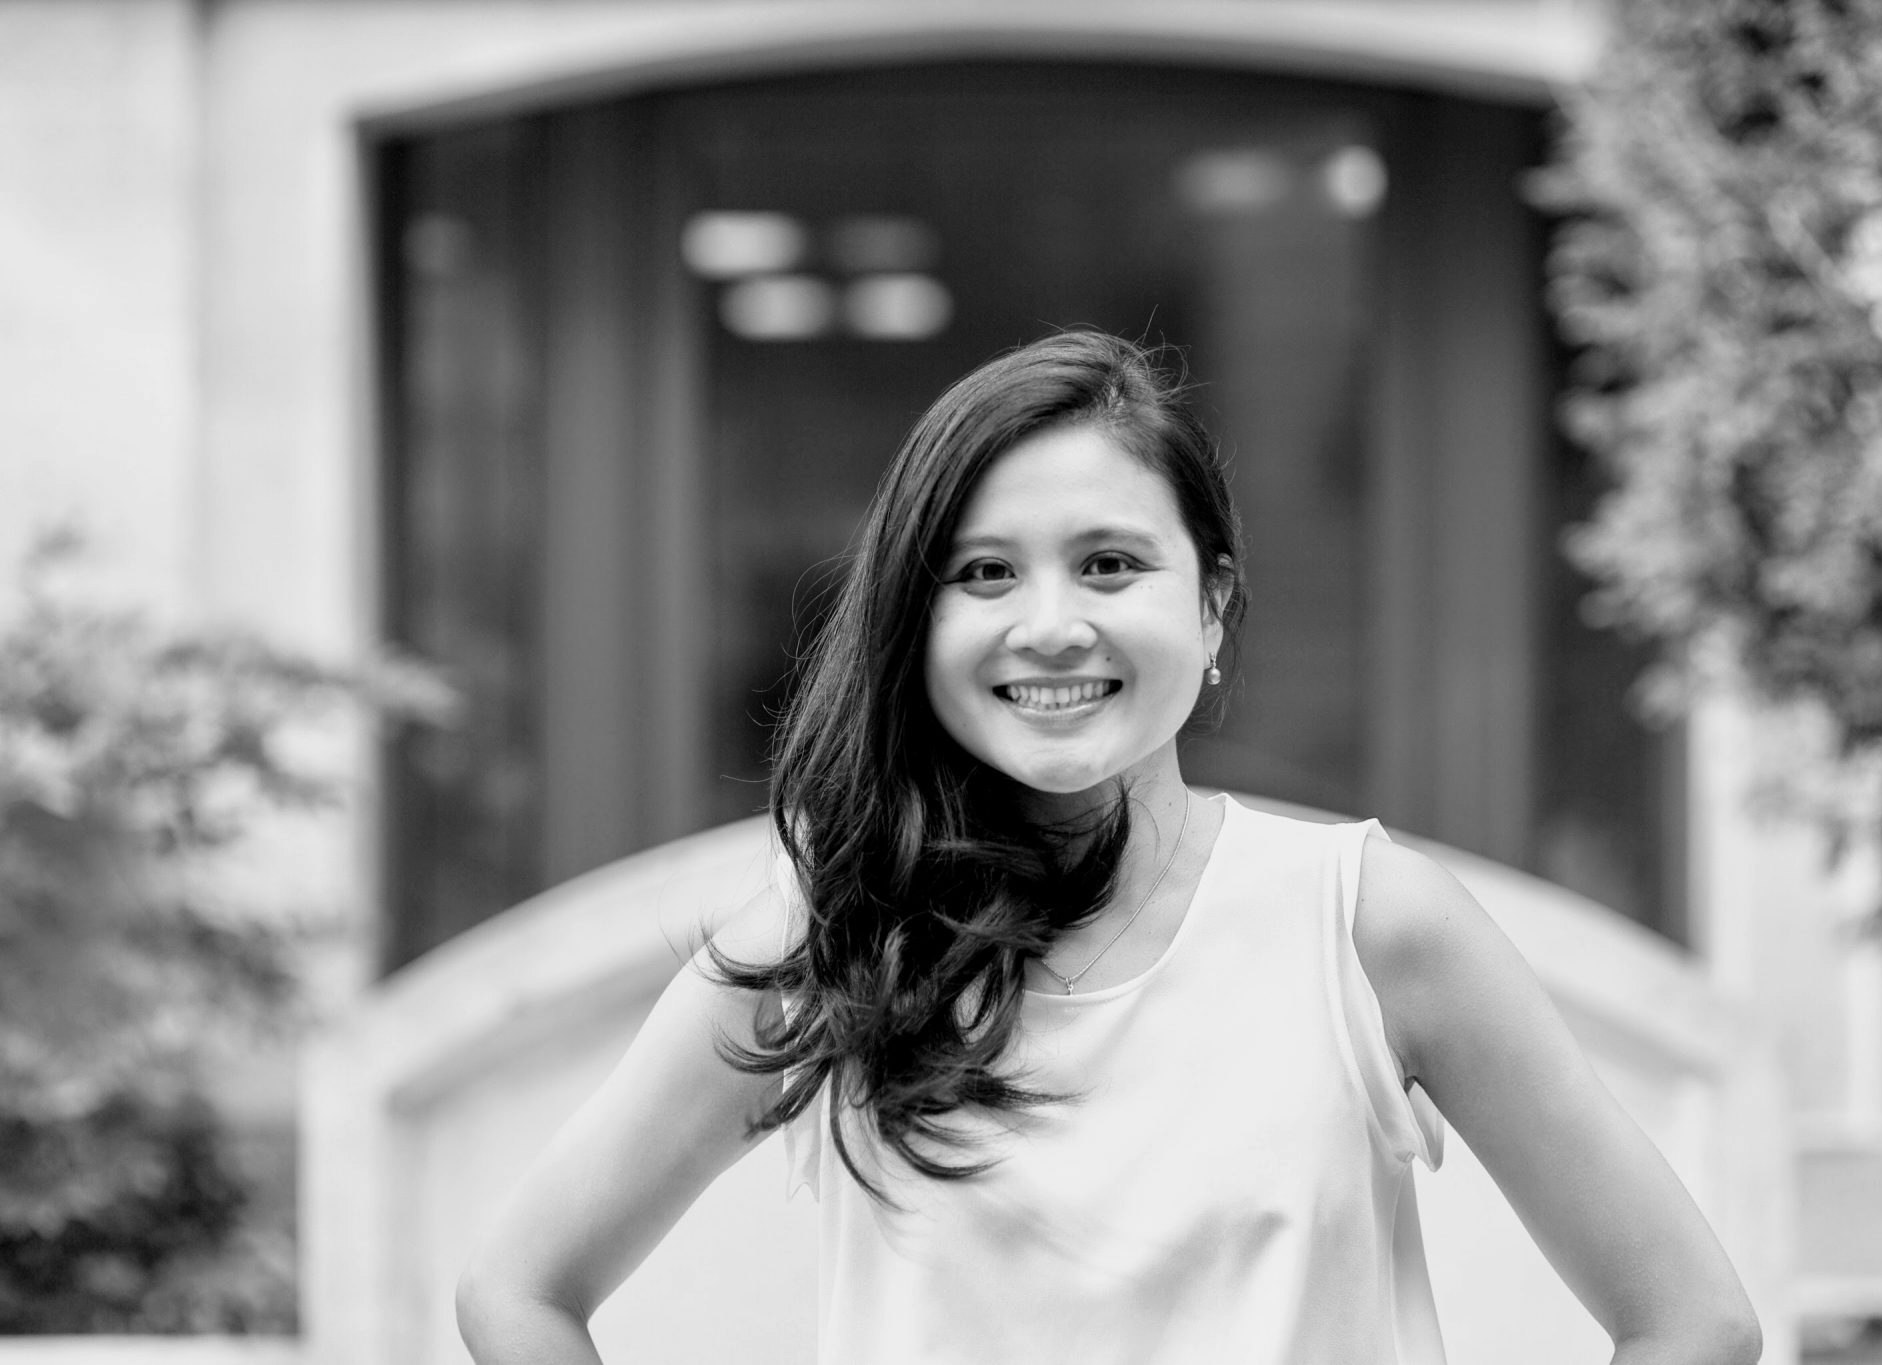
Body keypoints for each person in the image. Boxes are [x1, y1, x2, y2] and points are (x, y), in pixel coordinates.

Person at [455, 330, 1763, 1364]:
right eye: (984, 573)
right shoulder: (835, 936)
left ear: (1213, 606)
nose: (1049, 625)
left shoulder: (1368, 923)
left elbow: (1693, 1319)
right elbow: (517, 1288)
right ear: (916, 624)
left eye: (1110, 564)